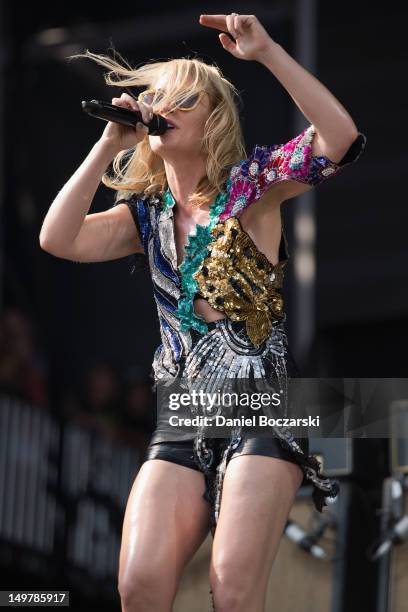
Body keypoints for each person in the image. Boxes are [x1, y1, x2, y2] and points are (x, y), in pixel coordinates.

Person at [39, 12, 366, 612]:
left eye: (181, 99)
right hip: (183, 416)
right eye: (155, 98)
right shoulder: (146, 216)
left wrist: (267, 52)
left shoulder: (253, 187)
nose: (161, 107)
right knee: (138, 587)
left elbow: (339, 139)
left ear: (211, 119)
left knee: (232, 593)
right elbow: (58, 239)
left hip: (261, 410)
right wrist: (109, 143)